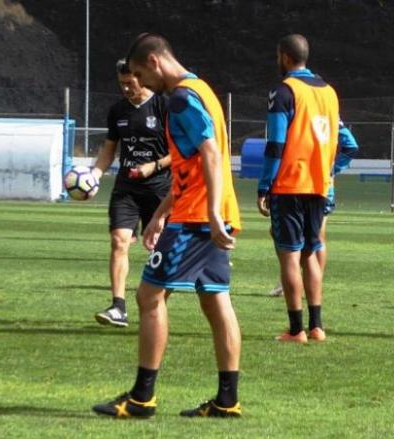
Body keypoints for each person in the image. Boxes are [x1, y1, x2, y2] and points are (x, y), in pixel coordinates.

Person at [92, 33, 243, 419]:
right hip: (212, 210)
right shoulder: (202, 89)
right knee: (216, 300)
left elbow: (210, 154)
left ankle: (142, 398)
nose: (141, 83)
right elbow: (193, 164)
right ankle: (227, 401)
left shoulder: (179, 98)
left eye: (142, 74)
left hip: (197, 218)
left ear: (155, 63)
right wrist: (160, 213)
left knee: (148, 298)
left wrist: (207, 213)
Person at [257, 34, 344, 344]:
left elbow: (277, 143)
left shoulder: (284, 91)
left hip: (290, 183)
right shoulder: (330, 93)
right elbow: (337, 139)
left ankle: (296, 330)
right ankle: (317, 327)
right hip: (320, 184)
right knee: (311, 253)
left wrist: (265, 184)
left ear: (284, 57)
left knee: (289, 257)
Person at [91, 59, 171, 328]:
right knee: (119, 241)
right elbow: (109, 149)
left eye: (130, 83)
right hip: (126, 188)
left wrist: (154, 165)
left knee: (159, 250)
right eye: (121, 84)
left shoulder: (163, 106)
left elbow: (181, 152)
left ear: (142, 77)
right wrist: (94, 176)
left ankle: (155, 307)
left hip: (159, 189)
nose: (125, 88)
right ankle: (118, 307)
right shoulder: (117, 111)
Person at [266, 122, 359, 300]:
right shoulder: (298, 116)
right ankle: (296, 278)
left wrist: (331, 170)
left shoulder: (325, 114)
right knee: (282, 233)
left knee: (315, 236)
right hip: (299, 183)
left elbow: (351, 146)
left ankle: (309, 281)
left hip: (317, 186)